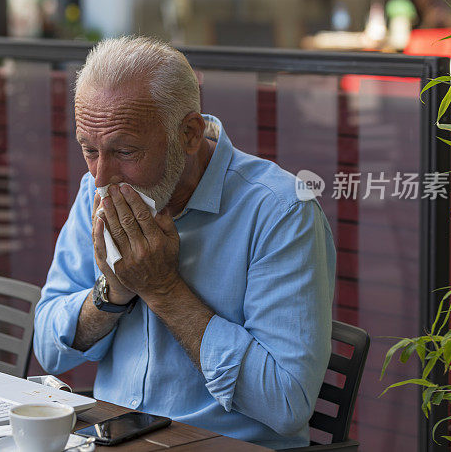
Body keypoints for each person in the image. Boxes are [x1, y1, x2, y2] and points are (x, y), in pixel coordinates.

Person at [33, 36, 335, 449]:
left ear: (189, 134)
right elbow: (50, 350)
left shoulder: (281, 211)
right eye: (89, 150)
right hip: (113, 438)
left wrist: (163, 289)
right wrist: (113, 294)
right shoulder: (98, 190)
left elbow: (286, 403)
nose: (101, 177)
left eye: (125, 151)